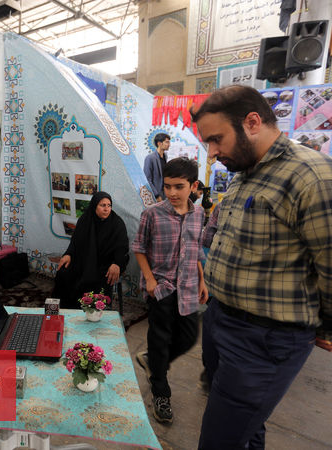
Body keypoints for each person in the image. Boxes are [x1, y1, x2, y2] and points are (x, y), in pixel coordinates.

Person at [191, 85, 332, 449]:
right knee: (247, 429)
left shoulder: (310, 175)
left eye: (216, 139)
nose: (212, 153)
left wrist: (325, 325)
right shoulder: (246, 173)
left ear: (252, 122)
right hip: (223, 322)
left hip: (264, 342)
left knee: (218, 440)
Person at [132, 157, 208, 424]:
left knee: (188, 338)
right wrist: (150, 280)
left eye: (179, 187)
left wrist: (201, 280)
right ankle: (160, 391)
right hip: (161, 289)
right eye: (167, 187)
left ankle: (154, 362)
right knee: (161, 339)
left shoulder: (200, 215)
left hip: (188, 287)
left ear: (193, 186)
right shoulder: (152, 214)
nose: (172, 193)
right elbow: (139, 249)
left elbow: (196, 250)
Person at [52, 191, 129, 309]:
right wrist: (68, 254)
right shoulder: (85, 219)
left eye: (109, 205)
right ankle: (66, 309)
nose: (106, 209)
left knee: (96, 281)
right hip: (84, 260)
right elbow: (75, 242)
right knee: (64, 272)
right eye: (102, 205)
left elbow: (122, 248)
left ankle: (92, 311)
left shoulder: (117, 223)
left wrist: (117, 263)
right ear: (94, 206)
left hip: (106, 263)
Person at [143, 133, 170, 201]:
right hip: (155, 194)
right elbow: (147, 179)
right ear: (159, 143)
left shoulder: (165, 157)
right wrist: (156, 195)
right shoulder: (150, 158)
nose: (169, 144)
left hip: (165, 194)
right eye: (167, 142)